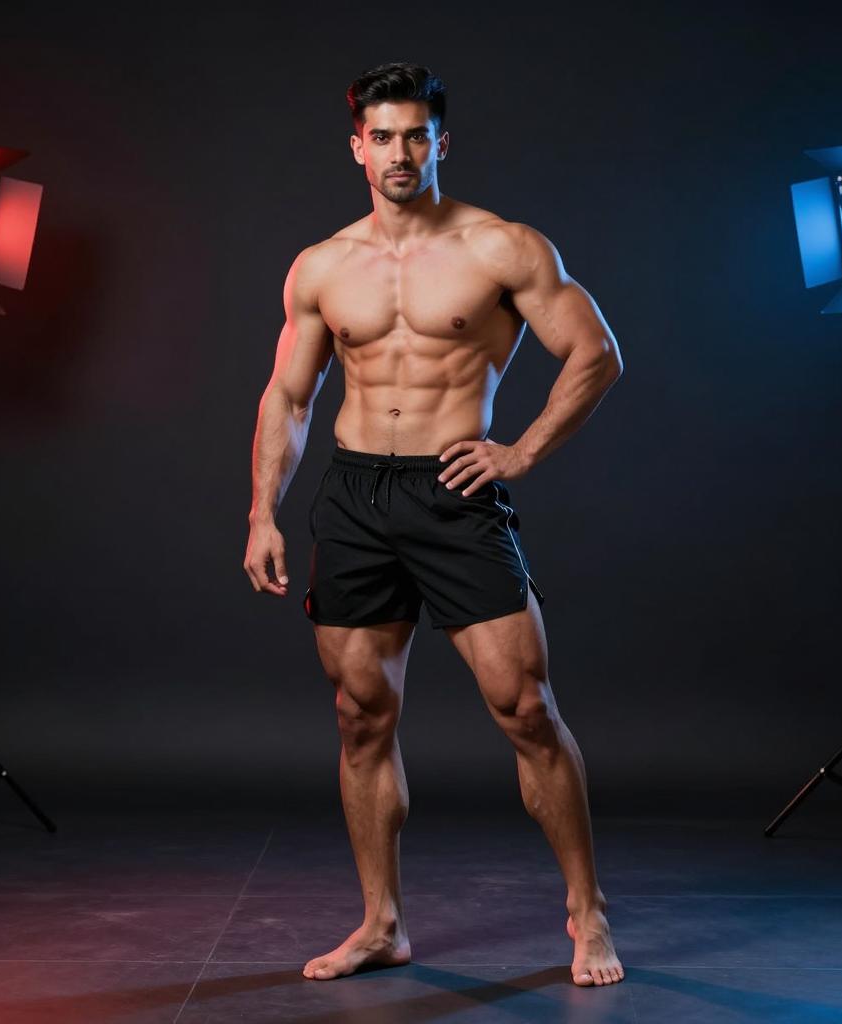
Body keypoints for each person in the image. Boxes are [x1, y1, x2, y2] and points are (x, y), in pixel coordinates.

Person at [244, 61, 624, 987]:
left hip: (456, 494)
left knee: (526, 709)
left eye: (416, 134)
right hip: (357, 497)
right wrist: (263, 509)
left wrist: (522, 451)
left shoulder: (503, 248)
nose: (400, 152)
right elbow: (289, 397)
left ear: (441, 141)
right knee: (359, 714)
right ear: (357, 148)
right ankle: (382, 924)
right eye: (383, 136)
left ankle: (587, 913)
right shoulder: (324, 265)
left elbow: (596, 353)